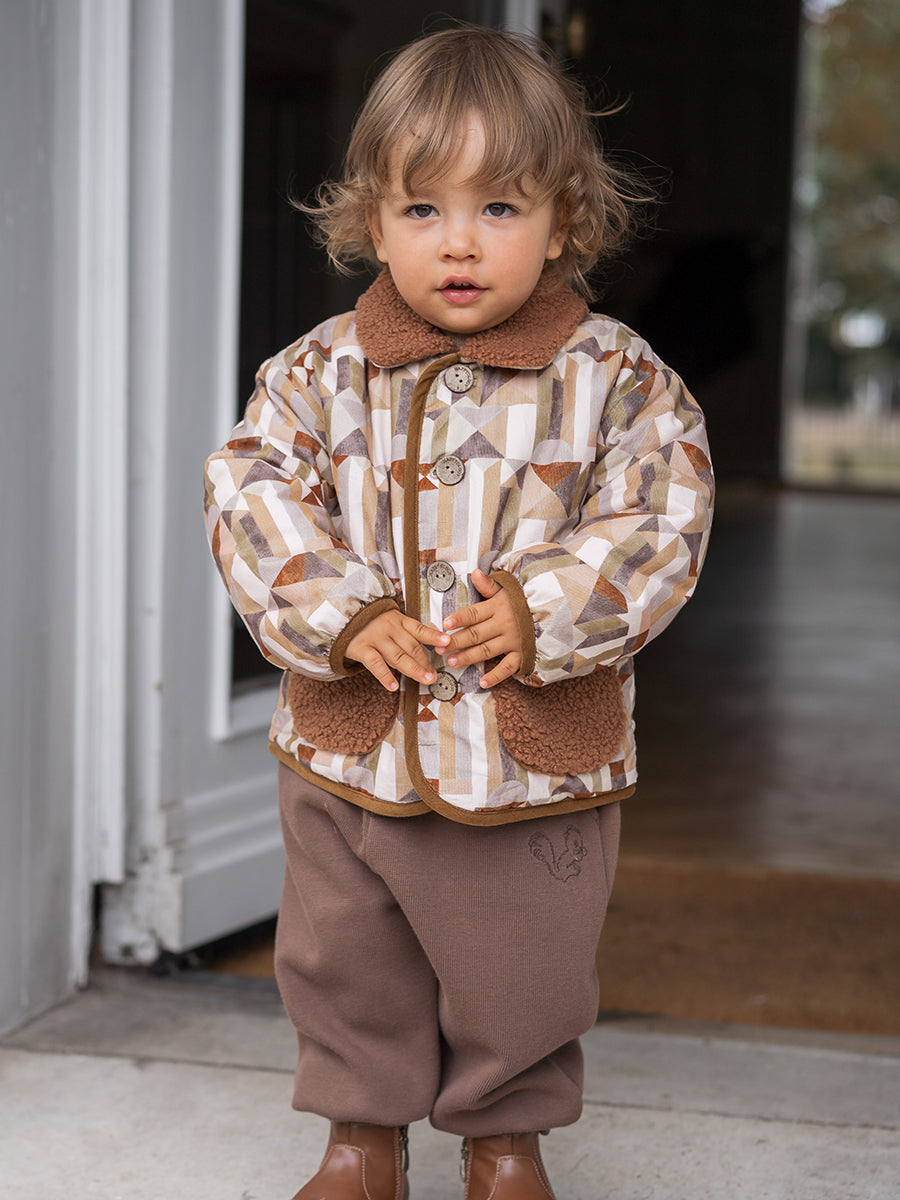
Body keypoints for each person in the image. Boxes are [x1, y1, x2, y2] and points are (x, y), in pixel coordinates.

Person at [204, 24, 713, 1200]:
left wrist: (543, 609)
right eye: (423, 208)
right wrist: (341, 613)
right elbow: (251, 494)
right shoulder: (320, 373)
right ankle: (359, 1138)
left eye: (500, 207)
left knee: (523, 962)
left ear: (564, 221)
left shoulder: (618, 379)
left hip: (525, 755)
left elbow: (663, 515)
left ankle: (505, 1144)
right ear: (373, 222)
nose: (460, 242)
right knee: (341, 951)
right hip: (352, 745)